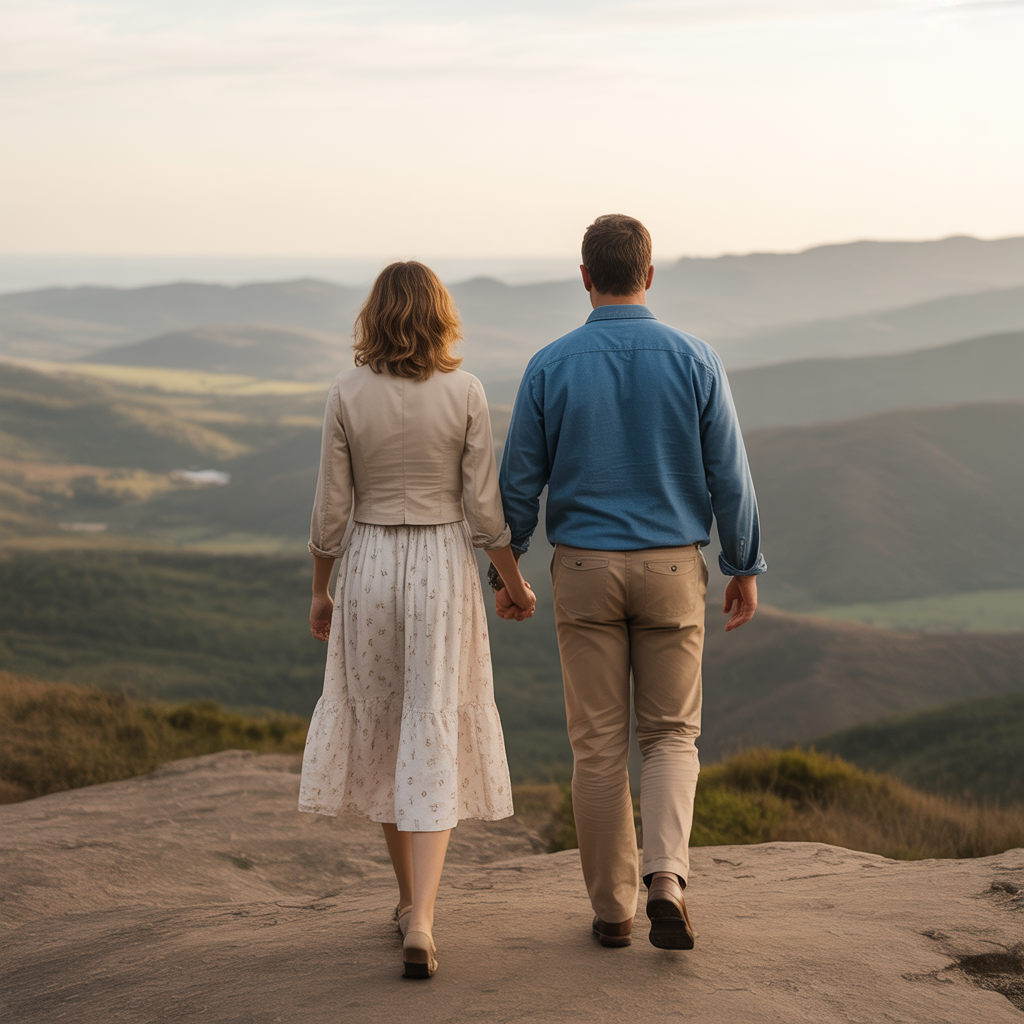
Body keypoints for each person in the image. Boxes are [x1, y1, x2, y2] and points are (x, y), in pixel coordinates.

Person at [492, 214, 765, 951]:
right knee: (672, 735)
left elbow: (518, 483)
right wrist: (743, 565)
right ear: (649, 275)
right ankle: (667, 880)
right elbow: (730, 478)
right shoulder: (696, 358)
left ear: (585, 277)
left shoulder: (551, 363)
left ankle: (612, 912)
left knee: (598, 745)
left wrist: (507, 565)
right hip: (674, 567)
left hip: (581, 568)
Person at [299, 261, 536, 980]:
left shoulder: (346, 393)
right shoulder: (466, 392)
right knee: (429, 719)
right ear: (440, 316)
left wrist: (320, 589)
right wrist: (514, 582)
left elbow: (330, 510)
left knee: (384, 723)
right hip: (439, 565)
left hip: (368, 563)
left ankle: (408, 903)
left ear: (374, 316)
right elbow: (486, 512)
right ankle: (423, 918)